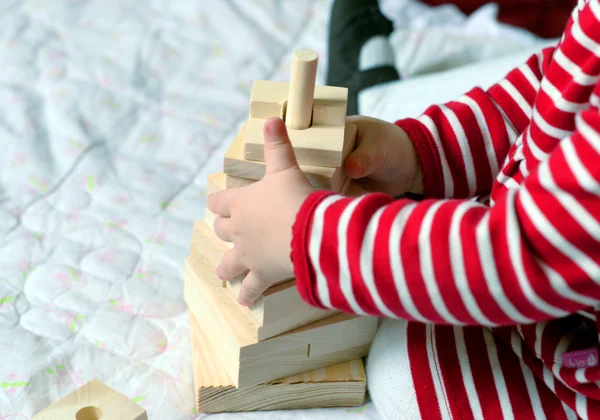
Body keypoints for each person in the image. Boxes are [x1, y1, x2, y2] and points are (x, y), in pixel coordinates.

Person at [207, 0, 600, 418]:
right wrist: (423, 152)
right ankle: (377, 95)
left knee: (403, 372)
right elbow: (552, 89)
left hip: (565, 341)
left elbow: (518, 258)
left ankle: (373, 90)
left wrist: (313, 238)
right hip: (543, 281)